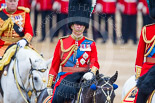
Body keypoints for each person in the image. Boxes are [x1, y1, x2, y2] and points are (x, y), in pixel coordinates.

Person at [47, 0, 100, 102]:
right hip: (65, 78)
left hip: (84, 77)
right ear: (71, 25)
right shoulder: (62, 42)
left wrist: (92, 73)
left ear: (85, 26)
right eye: (76, 24)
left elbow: (95, 62)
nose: (79, 26)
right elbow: (55, 65)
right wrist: (50, 84)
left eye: (81, 24)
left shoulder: (90, 43)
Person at [0, 0, 33, 71]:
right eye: (10, 1)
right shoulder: (1, 14)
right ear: (5, 2)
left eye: (14, 1)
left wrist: (25, 40)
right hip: (4, 46)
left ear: (17, 2)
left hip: (21, 45)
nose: (13, 3)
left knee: (35, 62)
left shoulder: (24, 13)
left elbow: (29, 32)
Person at [134, 0, 155, 102]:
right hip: (149, 69)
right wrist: (138, 74)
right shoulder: (147, 30)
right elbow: (140, 55)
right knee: (141, 95)